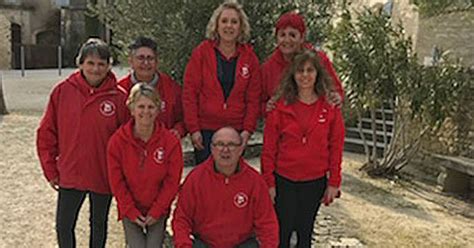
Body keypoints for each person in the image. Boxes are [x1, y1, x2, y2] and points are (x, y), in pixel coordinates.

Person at [36, 38, 129, 248]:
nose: (96, 69)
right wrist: (50, 170)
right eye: (90, 63)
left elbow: (126, 142)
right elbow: (46, 133)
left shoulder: (119, 98)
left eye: (101, 64)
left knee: (98, 225)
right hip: (70, 173)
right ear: (80, 64)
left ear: (109, 65)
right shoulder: (62, 91)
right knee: (64, 226)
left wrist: (121, 174)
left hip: (103, 174)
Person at [261, 50, 345, 248]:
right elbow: (269, 149)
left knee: (305, 233)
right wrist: (269, 183)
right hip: (284, 180)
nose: (305, 75)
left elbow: (336, 146)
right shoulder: (280, 107)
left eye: (310, 70)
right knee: (282, 232)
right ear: (293, 75)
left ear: (317, 74)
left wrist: (334, 181)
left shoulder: (329, 107)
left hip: (313, 181)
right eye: (300, 70)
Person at [182, 0, 261, 165]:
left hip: (236, 131)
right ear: (216, 25)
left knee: (232, 183)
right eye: (224, 21)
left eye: (234, 21)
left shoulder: (249, 58)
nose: (229, 26)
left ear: (240, 27)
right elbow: (190, 93)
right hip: (206, 131)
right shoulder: (201, 53)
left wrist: (247, 130)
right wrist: (194, 129)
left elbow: (253, 99)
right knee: (205, 182)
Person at [172, 127, 279, 248]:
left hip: (241, 244)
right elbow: (181, 219)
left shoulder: (255, 181)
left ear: (240, 149)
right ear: (211, 148)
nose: (225, 150)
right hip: (205, 243)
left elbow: (267, 223)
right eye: (220, 144)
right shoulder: (195, 179)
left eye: (232, 145)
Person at [107, 83, 183, 247]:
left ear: (158, 109)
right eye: (141, 106)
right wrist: (130, 211)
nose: (146, 112)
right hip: (130, 208)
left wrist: (157, 211)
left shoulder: (170, 142)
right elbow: (117, 182)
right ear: (132, 109)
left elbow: (172, 181)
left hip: (158, 208)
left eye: (151, 107)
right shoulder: (117, 142)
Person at [261, 11, 344, 114]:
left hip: (317, 120)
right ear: (277, 39)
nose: (287, 40)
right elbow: (259, 103)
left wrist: (336, 98)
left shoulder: (319, 60)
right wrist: (267, 107)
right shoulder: (268, 68)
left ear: (302, 37)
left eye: (292, 35)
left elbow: (336, 90)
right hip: (283, 124)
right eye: (282, 35)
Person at [118, 37, 185, 139]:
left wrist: (178, 131)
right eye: (141, 58)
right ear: (131, 61)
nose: (146, 63)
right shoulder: (120, 90)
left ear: (157, 62)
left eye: (150, 58)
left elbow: (184, 118)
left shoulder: (172, 88)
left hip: (163, 149)